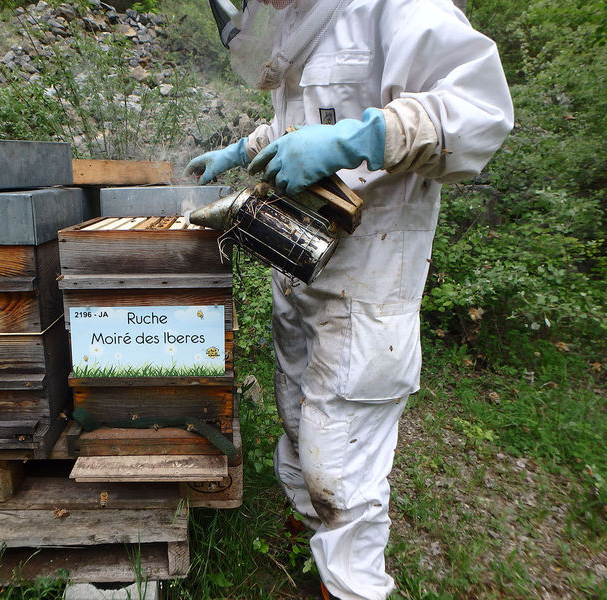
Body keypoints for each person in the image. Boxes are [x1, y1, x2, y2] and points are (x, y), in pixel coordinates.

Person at [185, 0, 513, 598]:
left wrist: (358, 138)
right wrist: (245, 148)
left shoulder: (399, 7)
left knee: (339, 457)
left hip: (370, 282)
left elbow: (481, 110)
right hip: (302, 261)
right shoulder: (295, 18)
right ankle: (314, 537)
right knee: (296, 411)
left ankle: (352, 583)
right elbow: (305, 118)